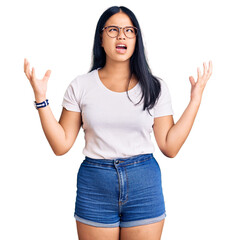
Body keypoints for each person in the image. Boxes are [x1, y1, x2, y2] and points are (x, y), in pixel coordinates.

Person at [24, 5, 213, 240]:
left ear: (136, 40)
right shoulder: (80, 86)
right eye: (113, 30)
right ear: (101, 38)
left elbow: (169, 146)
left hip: (144, 183)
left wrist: (195, 100)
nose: (121, 35)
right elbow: (61, 145)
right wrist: (41, 100)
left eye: (129, 30)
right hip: (95, 184)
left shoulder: (155, 87)